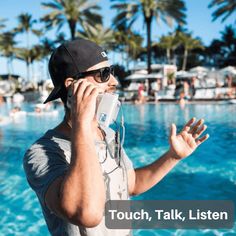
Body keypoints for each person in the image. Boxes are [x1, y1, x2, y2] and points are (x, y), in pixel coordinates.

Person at [23, 38, 209, 236]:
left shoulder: (109, 134)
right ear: (72, 87)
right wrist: (82, 123)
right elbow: (86, 214)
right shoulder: (42, 153)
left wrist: (172, 156)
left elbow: (131, 184)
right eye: (103, 74)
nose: (114, 81)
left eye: (111, 72)